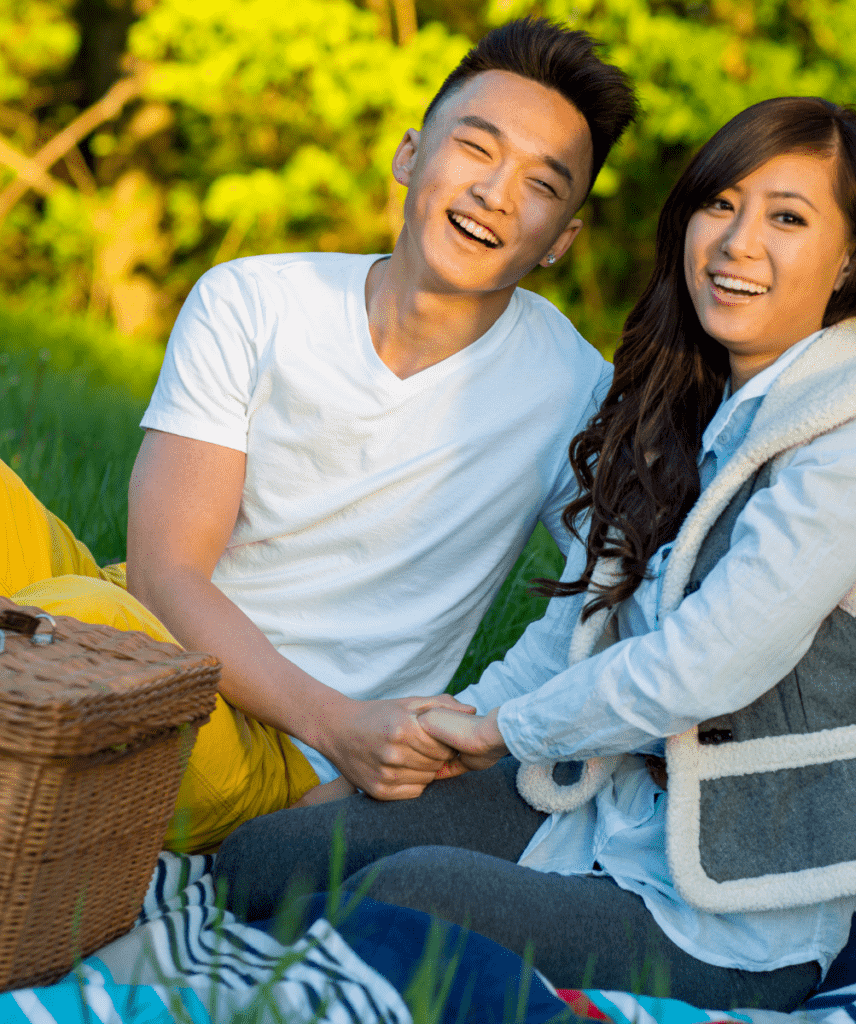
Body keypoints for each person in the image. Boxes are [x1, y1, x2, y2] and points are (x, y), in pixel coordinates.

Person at [213, 96, 856, 1009]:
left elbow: (707, 665)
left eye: (789, 218)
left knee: (392, 902)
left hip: (719, 914)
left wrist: (505, 734)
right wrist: (452, 733)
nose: (736, 244)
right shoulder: (678, 415)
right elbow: (577, 631)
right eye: (720, 204)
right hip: (583, 809)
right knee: (263, 863)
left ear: (850, 257)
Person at [0, 18, 638, 851]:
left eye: (543, 185)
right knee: (73, 606)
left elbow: (618, 601)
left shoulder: (575, 390)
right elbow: (164, 575)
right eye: (477, 148)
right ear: (411, 157)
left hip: (275, 749)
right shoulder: (254, 299)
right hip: (141, 624)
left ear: (560, 240)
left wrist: (376, 741)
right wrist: (341, 725)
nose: (496, 193)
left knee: (69, 624)